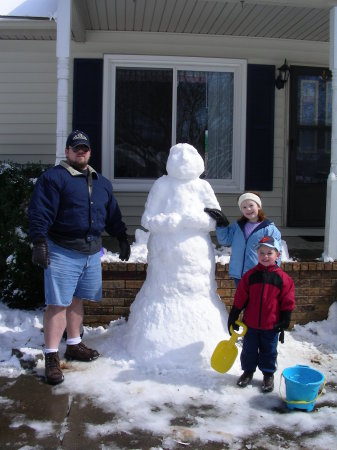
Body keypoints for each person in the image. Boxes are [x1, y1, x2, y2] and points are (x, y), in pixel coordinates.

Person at [28, 130, 131, 385]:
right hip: (62, 249)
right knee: (57, 303)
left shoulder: (102, 182)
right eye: (76, 148)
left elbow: (112, 214)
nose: (81, 152)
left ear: (90, 152)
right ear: (67, 151)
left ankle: (74, 343)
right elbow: (39, 211)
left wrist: (121, 236)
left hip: (90, 250)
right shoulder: (54, 178)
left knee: (76, 299)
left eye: (85, 148)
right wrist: (39, 241)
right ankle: (51, 355)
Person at [227, 236, 295, 392]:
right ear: (257, 254)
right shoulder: (250, 276)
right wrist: (234, 314)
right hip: (250, 324)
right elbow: (241, 297)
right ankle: (248, 372)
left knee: (269, 351)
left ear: (277, 255)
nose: (265, 256)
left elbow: (287, 300)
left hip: (271, 325)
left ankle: (268, 374)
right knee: (249, 350)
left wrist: (286, 318)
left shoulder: (283, 279)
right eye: (262, 252)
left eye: (269, 253)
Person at [204, 191, 282, 286]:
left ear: (258, 206)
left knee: (256, 300)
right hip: (239, 274)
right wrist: (222, 224)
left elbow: (277, 251)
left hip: (258, 274)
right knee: (242, 300)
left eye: (251, 205)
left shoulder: (269, 229)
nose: (248, 209)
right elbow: (225, 240)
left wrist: (272, 271)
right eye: (244, 207)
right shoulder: (238, 226)